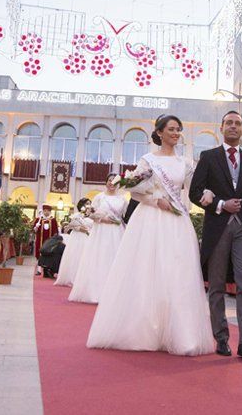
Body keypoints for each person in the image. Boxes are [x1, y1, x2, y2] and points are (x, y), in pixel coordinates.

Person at [88, 115, 215, 357]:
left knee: (177, 272)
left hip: (177, 222)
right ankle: (144, 330)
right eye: (171, 129)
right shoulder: (148, 160)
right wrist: (155, 200)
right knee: (148, 270)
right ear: (159, 133)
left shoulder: (185, 162)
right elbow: (134, 192)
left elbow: (193, 190)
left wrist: (207, 192)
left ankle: (180, 333)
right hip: (151, 219)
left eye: (179, 129)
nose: (176, 133)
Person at [189, 110, 242, 361]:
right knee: (217, 285)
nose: (233, 127)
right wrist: (220, 204)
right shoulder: (208, 157)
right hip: (217, 227)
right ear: (221, 128)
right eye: (229, 123)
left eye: (238, 124)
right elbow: (194, 192)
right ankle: (221, 337)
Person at [69, 176, 128, 304]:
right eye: (109, 180)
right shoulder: (99, 197)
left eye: (115, 181)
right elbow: (90, 214)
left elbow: (124, 217)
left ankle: (114, 293)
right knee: (100, 258)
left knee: (114, 259)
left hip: (117, 232)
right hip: (101, 231)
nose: (112, 183)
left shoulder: (123, 199)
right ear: (106, 182)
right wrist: (102, 219)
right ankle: (96, 291)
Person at [54, 198, 93, 287]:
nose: (88, 205)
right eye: (87, 203)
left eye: (89, 204)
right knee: (75, 256)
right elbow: (72, 226)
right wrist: (80, 229)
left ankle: (82, 278)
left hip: (87, 238)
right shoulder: (76, 215)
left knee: (85, 257)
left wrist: (88, 230)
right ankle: (72, 278)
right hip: (77, 237)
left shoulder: (92, 216)